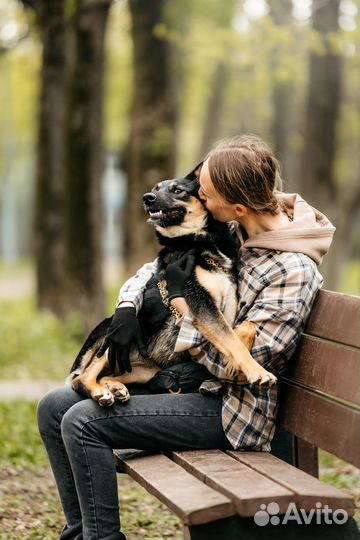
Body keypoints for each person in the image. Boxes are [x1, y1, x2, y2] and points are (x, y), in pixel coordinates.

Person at [37, 135, 335, 540]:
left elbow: (251, 365)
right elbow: (155, 268)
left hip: (233, 410)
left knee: (84, 421)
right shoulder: (235, 231)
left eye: (207, 195)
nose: (200, 199)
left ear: (237, 206)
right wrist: (127, 305)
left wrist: (184, 310)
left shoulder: (291, 270)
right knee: (54, 405)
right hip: (189, 385)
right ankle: (81, 532)